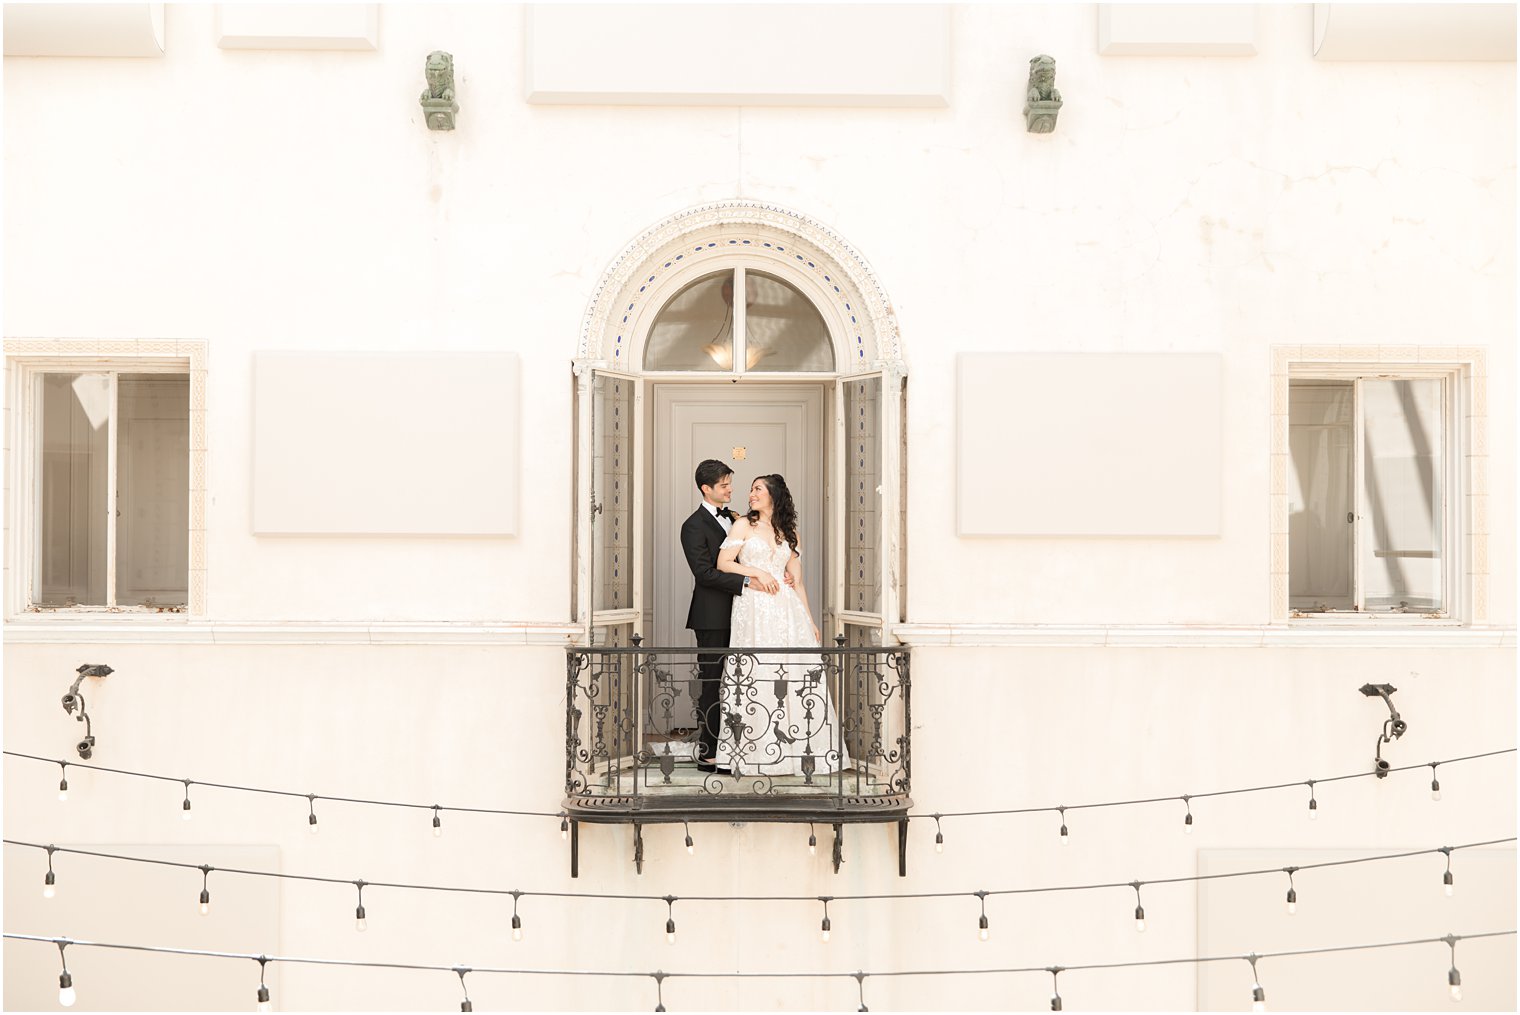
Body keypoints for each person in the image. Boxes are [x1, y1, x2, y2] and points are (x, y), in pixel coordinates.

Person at [713, 474, 851, 778]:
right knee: (757, 668)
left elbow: (797, 581)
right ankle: (754, 752)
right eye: (751, 490)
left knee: (792, 673)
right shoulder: (743, 525)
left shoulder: (790, 533)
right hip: (754, 605)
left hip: (787, 610)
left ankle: (796, 750)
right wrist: (757, 573)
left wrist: (810, 620)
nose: (751, 494)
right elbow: (724, 563)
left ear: (774, 495)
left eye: (757, 489)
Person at [679, 460, 780, 775]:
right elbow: (705, 573)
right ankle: (708, 752)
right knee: (713, 681)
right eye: (724, 485)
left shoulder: (738, 519)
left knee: (742, 680)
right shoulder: (692, 525)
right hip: (713, 616)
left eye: (729, 483)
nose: (730, 489)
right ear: (706, 489)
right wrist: (748, 581)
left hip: (747, 614)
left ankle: (741, 747)